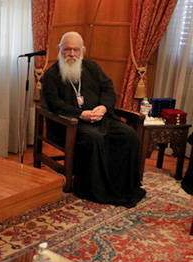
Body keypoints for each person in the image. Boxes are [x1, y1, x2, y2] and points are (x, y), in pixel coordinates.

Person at [41, 31, 146, 207]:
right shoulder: (51, 75)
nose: (72, 54)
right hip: (70, 124)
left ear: (82, 51)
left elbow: (108, 89)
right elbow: (54, 104)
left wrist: (103, 107)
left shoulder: (92, 67)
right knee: (93, 138)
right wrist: (80, 114)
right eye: (67, 49)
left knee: (129, 135)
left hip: (101, 119)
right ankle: (95, 189)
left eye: (76, 50)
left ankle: (121, 184)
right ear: (59, 49)